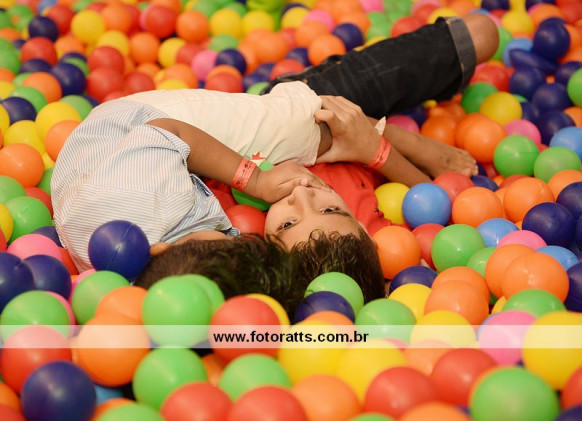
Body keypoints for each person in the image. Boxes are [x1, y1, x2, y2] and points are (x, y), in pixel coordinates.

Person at [53, 14, 499, 304]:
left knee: (481, 34)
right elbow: (432, 201)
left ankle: (368, 126)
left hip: (156, 126)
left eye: (284, 225)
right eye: (329, 209)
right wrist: (375, 150)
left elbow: (168, 134)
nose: (302, 195)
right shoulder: (336, 246)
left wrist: (255, 180)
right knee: (480, 35)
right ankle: (376, 129)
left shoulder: (178, 220)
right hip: (322, 127)